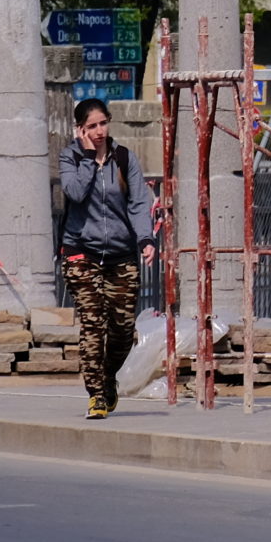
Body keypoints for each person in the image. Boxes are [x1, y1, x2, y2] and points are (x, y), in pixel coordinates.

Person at [56, 98, 155, 420]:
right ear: (80, 129)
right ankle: (96, 394)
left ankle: (108, 377)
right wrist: (87, 158)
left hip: (120, 254)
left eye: (103, 124)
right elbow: (75, 193)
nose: (99, 131)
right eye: (92, 126)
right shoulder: (70, 157)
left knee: (123, 329)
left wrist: (145, 239)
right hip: (80, 252)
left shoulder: (124, 158)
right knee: (92, 324)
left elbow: (140, 203)